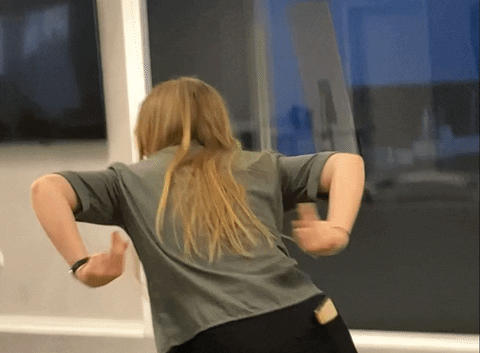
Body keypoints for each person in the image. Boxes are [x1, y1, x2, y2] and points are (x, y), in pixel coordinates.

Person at [30, 76, 365, 353]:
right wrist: (337, 229)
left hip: (213, 338)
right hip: (310, 318)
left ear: (148, 127)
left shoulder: (127, 181)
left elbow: (46, 189)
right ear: (217, 119)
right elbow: (347, 163)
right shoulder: (259, 165)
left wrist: (81, 265)